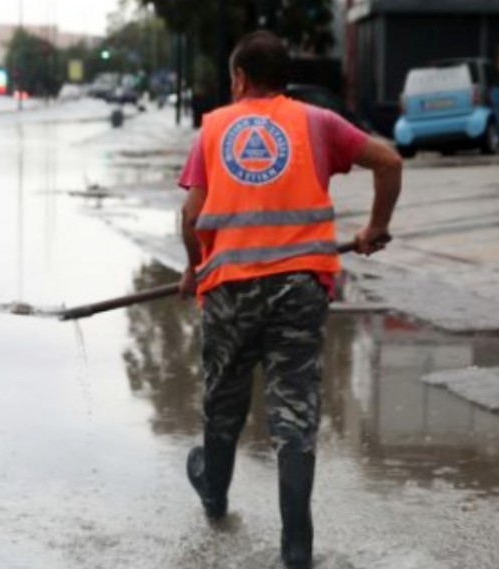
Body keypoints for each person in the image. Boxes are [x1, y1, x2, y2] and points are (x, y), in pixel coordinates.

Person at [176, 31, 401, 569]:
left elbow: (190, 215)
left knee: (224, 400)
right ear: (285, 79)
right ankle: (296, 547)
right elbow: (390, 161)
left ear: (238, 79)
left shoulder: (213, 127)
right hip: (301, 286)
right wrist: (375, 226)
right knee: (294, 415)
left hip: (229, 289)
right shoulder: (315, 122)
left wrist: (193, 266)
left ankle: (214, 492)